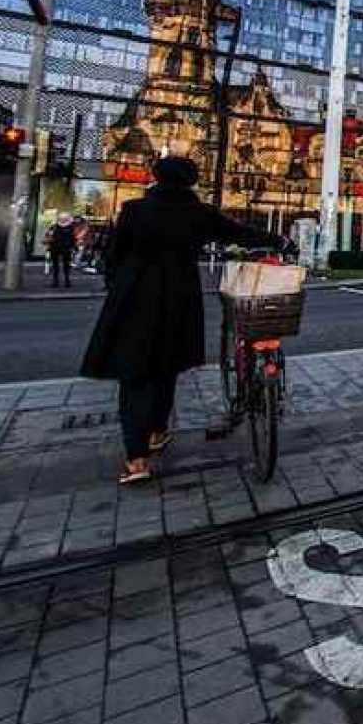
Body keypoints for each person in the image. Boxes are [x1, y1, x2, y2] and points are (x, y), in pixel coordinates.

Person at [80, 156, 282, 485]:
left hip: (136, 297)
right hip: (179, 298)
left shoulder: (135, 210)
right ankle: (158, 431)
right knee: (166, 365)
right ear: (190, 180)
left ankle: (137, 459)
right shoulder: (197, 213)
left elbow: (114, 256)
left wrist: (118, 281)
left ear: (157, 177)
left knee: (135, 376)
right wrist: (278, 241)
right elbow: (238, 233)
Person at [48, 212, 77, 288]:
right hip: (66, 248)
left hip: (56, 248)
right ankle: (67, 281)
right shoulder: (70, 228)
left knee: (56, 266)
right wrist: (73, 247)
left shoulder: (54, 227)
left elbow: (50, 237)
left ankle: (56, 281)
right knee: (66, 266)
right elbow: (73, 239)